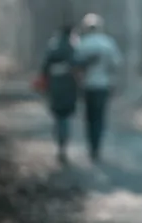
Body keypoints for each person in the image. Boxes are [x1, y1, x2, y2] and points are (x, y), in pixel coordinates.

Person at [74, 13, 122, 163]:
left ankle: (91, 146)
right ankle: (97, 146)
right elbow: (117, 63)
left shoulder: (82, 43)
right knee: (100, 116)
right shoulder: (108, 43)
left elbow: (75, 64)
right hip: (103, 85)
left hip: (87, 85)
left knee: (89, 117)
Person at [41, 24, 79, 164]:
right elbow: (77, 67)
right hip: (69, 87)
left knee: (57, 115)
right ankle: (63, 144)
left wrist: (46, 84)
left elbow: (45, 68)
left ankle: (59, 141)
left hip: (55, 86)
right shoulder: (73, 49)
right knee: (66, 117)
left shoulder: (53, 47)